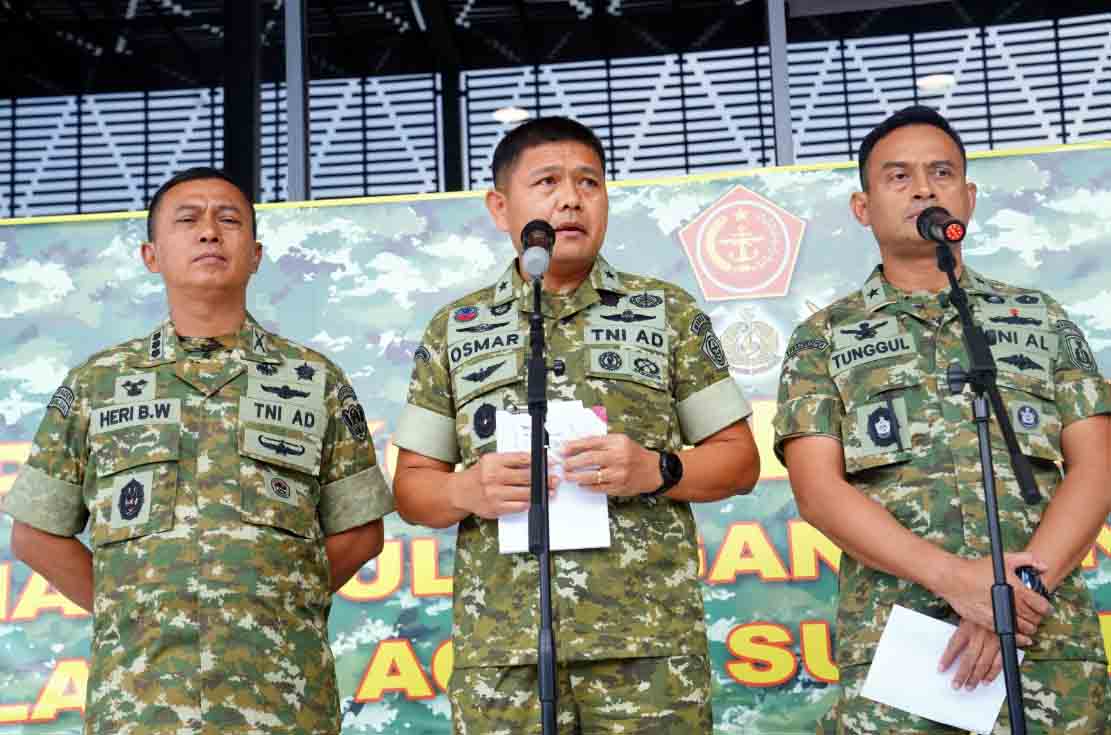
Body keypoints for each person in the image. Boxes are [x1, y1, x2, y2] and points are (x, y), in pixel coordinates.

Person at [392, 116, 760, 733]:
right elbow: (411, 489)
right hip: (503, 655)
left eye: (589, 182)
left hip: (648, 649)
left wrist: (658, 469)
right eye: (548, 182)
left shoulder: (665, 312)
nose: (571, 199)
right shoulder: (454, 328)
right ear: (500, 207)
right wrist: (465, 489)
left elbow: (741, 460)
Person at [2, 167, 394, 734]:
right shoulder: (97, 383)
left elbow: (360, 530)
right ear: (151, 255)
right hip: (139, 702)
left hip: (283, 699)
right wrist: (128, 611)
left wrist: (277, 601)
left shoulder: (314, 379)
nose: (210, 231)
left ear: (255, 255)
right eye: (188, 220)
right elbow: (36, 533)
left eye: (228, 220)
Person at [774, 106, 1111, 733]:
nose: (924, 189)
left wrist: (1014, 596)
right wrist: (958, 582)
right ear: (862, 207)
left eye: (942, 173)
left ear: (969, 198)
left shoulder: (1039, 316)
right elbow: (817, 491)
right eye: (898, 176)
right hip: (904, 649)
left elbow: (1098, 465)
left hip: (1046, 642)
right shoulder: (823, 337)